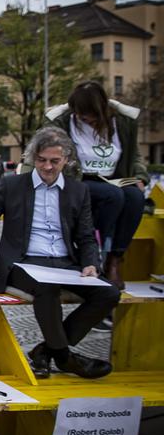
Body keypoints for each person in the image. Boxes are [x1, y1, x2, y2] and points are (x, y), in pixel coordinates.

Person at [0, 126, 119, 379]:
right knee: (46, 288)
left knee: (109, 293)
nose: (47, 167)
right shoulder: (12, 185)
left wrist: (91, 263)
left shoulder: (78, 191)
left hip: (64, 263)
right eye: (41, 160)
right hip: (21, 263)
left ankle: (47, 351)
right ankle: (65, 357)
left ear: (67, 160)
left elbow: (85, 236)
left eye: (54, 161)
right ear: (32, 158)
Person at [46, 81, 147, 290]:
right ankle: (94, 249)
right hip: (78, 180)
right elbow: (45, 152)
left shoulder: (122, 123)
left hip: (114, 179)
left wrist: (139, 176)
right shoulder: (64, 123)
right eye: (80, 115)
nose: (85, 119)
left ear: (100, 110)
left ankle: (115, 257)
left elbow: (134, 154)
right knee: (114, 196)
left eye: (88, 115)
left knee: (135, 197)